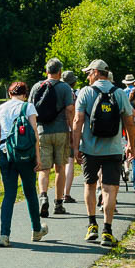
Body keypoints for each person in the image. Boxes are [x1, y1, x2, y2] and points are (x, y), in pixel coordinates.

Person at [71, 59, 135, 247]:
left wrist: (75, 147)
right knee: (109, 189)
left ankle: (92, 225)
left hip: (90, 150)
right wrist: (131, 144)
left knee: (90, 185)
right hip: (114, 149)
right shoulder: (120, 93)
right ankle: (107, 231)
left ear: (97, 72)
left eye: (89, 73)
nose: (88, 76)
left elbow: (77, 121)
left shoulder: (85, 92)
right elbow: (129, 121)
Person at [0, 81, 47, 245]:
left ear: (10, 94)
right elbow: (34, 135)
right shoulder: (28, 107)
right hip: (26, 156)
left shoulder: (0, 109)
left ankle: (4, 235)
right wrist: (38, 157)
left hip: (6, 154)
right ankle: (36, 229)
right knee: (30, 192)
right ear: (25, 94)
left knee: (9, 194)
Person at [29, 59, 75, 218]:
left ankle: (43, 196)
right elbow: (70, 110)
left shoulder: (37, 87)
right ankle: (58, 203)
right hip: (61, 131)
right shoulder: (65, 88)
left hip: (42, 131)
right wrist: (72, 132)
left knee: (43, 168)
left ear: (46, 70)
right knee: (60, 168)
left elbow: (30, 110)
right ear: (60, 71)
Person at [60, 69, 79, 205]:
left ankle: (57, 193)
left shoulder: (56, 90)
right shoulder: (71, 94)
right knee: (69, 161)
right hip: (68, 129)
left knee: (58, 165)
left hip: (55, 129)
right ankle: (66, 193)